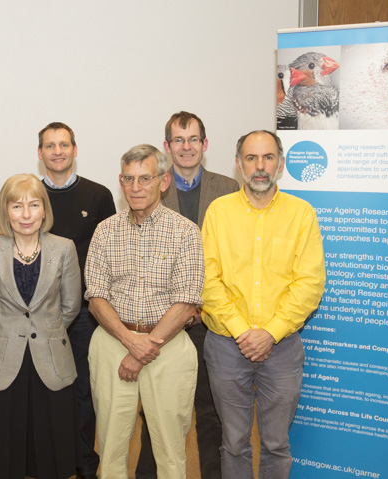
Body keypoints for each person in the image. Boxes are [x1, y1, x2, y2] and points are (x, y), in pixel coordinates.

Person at [200, 130, 325, 479]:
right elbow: (209, 281)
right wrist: (243, 332)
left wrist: (270, 332)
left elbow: (310, 282)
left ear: (281, 164)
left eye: (268, 158)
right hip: (227, 345)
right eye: (251, 158)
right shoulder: (218, 212)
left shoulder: (302, 214)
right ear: (239, 165)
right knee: (234, 443)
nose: (260, 167)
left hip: (282, 347)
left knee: (276, 444)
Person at [84, 144, 204, 479]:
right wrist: (128, 340)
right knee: (110, 449)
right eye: (129, 179)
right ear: (121, 182)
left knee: (170, 452)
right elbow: (95, 296)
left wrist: (143, 348)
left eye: (145, 178)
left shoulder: (186, 232)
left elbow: (187, 301)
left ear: (164, 181)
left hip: (169, 346)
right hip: (112, 342)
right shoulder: (105, 231)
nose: (136, 187)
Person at [136, 111, 239, 479]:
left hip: (213, 322)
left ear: (205, 145)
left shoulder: (228, 189)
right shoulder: (150, 187)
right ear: (167, 147)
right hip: (167, 321)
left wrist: (204, 303)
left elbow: (235, 256)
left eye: (193, 139)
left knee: (212, 413)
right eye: (178, 140)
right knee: (158, 411)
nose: (186, 147)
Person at [0, 174, 81, 479]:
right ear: (5, 212)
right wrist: (7, 333)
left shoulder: (64, 248)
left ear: (45, 209)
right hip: (3, 361)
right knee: (2, 451)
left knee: (49, 451)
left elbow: (71, 306)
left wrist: (47, 331)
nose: (27, 214)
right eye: (17, 206)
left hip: (50, 361)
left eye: (34, 205)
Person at [38, 121, 116, 479]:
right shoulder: (29, 196)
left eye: (64, 144)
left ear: (75, 150)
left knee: (84, 391)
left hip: (86, 314)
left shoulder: (99, 196)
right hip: (39, 315)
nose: (58, 151)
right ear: (40, 154)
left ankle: (86, 463)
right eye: (50, 146)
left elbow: (111, 254)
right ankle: (48, 463)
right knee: (45, 391)